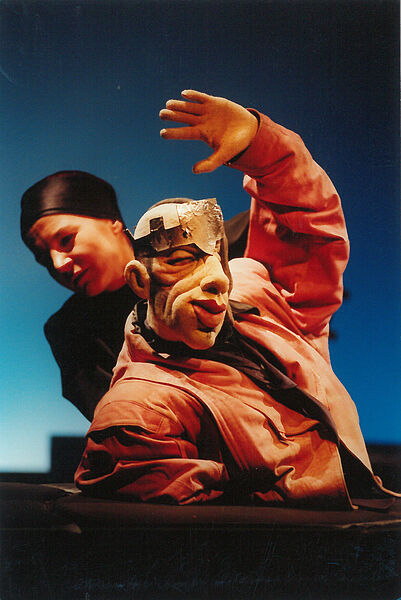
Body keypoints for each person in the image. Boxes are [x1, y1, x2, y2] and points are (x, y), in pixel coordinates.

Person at [74, 89, 397, 507]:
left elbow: (312, 235)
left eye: (218, 259)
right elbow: (201, 530)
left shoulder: (257, 298)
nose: (216, 280)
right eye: (181, 261)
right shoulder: (139, 411)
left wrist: (263, 149)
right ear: (139, 280)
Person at [21, 170, 249, 421]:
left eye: (66, 240)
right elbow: (123, 421)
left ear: (112, 221)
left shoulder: (224, 246)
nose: (58, 264)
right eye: (43, 258)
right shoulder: (70, 331)